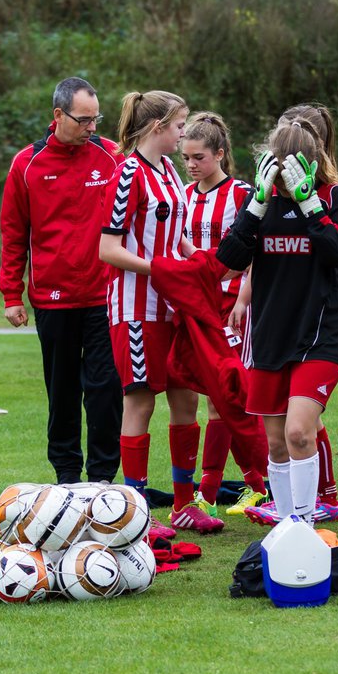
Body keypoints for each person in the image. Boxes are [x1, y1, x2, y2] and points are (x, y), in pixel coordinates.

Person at [217, 120, 338, 524]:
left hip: (319, 336)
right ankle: (289, 521)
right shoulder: (261, 201)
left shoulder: (334, 197)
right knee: (275, 445)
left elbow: (337, 254)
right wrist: (255, 206)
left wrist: (310, 203)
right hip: (270, 337)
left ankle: (306, 524)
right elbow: (228, 261)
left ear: (314, 163)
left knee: (299, 433)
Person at [99, 90, 225, 534]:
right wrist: (160, 269)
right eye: (179, 126)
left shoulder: (169, 172)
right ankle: (136, 514)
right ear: (157, 128)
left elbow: (175, 239)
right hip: (138, 307)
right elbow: (108, 249)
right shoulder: (126, 174)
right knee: (140, 401)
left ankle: (184, 503)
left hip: (177, 305)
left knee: (185, 396)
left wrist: (200, 263)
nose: (183, 134)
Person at [0, 77, 124, 485]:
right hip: (53, 298)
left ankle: (104, 478)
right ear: (58, 115)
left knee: (106, 389)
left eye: (96, 119)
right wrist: (11, 294)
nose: (92, 127)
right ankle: (68, 477)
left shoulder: (112, 157)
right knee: (63, 393)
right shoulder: (27, 164)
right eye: (84, 120)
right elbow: (14, 232)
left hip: (106, 297)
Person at [179, 112, 270, 518]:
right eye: (186, 157)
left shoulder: (243, 194)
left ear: (219, 154)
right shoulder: (183, 194)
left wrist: (242, 301)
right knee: (212, 400)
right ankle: (250, 485)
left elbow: (255, 253)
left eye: (198, 157)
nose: (191, 165)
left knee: (229, 400)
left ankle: (222, 489)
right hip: (198, 308)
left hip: (233, 308)